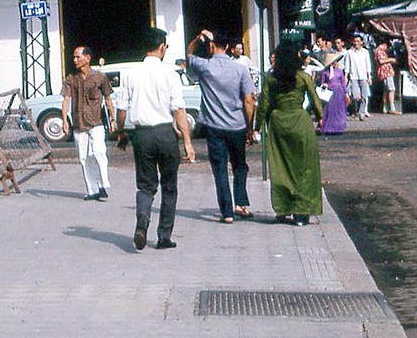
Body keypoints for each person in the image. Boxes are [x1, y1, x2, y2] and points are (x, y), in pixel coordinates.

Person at [114, 28, 195, 251]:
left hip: (142, 136)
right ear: (161, 47)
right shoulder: (171, 73)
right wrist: (187, 142)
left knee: (145, 186)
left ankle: (142, 220)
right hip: (166, 135)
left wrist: (121, 132)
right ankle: (164, 236)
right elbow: (178, 109)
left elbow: (122, 108)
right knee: (170, 186)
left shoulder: (130, 73)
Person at [186, 30, 256, 223]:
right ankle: (240, 204)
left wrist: (198, 38)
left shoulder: (204, 67)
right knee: (240, 166)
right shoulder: (240, 69)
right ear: (229, 48)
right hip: (237, 125)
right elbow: (249, 100)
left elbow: (189, 53)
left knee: (220, 168)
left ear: (210, 46)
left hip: (214, 126)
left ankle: (226, 213)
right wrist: (250, 127)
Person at [257, 41, 323, 226]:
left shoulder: (271, 79)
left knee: (280, 167)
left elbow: (263, 104)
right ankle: (302, 212)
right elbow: (315, 99)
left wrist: (256, 126)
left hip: (278, 122)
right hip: (300, 122)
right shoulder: (303, 77)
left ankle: (283, 208)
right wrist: (320, 117)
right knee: (305, 168)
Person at [61, 46, 114, 201]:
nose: (75, 60)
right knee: (83, 158)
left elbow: (108, 99)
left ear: (87, 58)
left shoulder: (100, 77)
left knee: (98, 152)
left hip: (96, 123)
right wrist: (64, 120)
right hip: (79, 124)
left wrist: (112, 118)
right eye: (74, 57)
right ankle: (92, 190)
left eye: (78, 57)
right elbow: (66, 99)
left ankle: (103, 184)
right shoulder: (71, 78)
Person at [343, 33, 373, 120]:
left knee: (364, 96)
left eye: (358, 41)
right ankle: (355, 110)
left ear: (361, 42)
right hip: (354, 76)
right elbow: (347, 66)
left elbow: (368, 65)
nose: (356, 43)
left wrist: (369, 76)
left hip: (363, 76)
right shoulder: (350, 53)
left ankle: (361, 113)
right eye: (355, 41)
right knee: (356, 96)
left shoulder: (365, 52)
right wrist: (346, 76)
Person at [318, 53, 348, 135]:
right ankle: (329, 128)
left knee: (339, 111)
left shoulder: (340, 71)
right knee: (330, 111)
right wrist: (324, 85)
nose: (336, 63)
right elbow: (322, 82)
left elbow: (343, 83)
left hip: (339, 92)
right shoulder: (325, 72)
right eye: (335, 61)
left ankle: (339, 128)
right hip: (330, 93)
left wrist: (346, 93)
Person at [374, 40, 399, 114]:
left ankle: (385, 107)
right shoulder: (379, 51)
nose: (387, 48)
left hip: (385, 72)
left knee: (386, 90)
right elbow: (381, 61)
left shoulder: (379, 51)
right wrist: (391, 59)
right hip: (386, 72)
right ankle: (392, 108)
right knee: (391, 89)